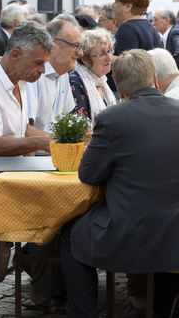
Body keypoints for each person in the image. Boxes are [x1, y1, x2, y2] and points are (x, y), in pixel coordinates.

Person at [60, 49, 179, 318]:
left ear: (120, 90)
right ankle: (159, 307)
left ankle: (84, 313)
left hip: (134, 231)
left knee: (70, 235)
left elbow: (88, 175)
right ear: (155, 80)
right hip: (173, 228)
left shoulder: (111, 119)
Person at [0, 21, 55, 283]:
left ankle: (41, 272)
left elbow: (22, 130)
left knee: (66, 194)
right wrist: (42, 144)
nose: (43, 70)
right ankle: (43, 283)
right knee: (54, 205)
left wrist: (60, 139)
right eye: (38, 63)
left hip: (12, 169)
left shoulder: (20, 79)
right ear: (15, 55)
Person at [23, 16, 83, 314]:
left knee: (76, 204)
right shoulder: (36, 75)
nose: (80, 53)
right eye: (76, 46)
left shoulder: (63, 76)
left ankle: (58, 278)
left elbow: (68, 121)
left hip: (50, 159)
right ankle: (42, 291)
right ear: (55, 46)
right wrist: (62, 142)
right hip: (29, 160)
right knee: (51, 207)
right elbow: (27, 131)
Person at [69, 27, 116, 120]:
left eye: (109, 51)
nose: (109, 58)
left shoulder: (101, 80)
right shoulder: (75, 82)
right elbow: (82, 127)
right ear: (85, 59)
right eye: (102, 54)